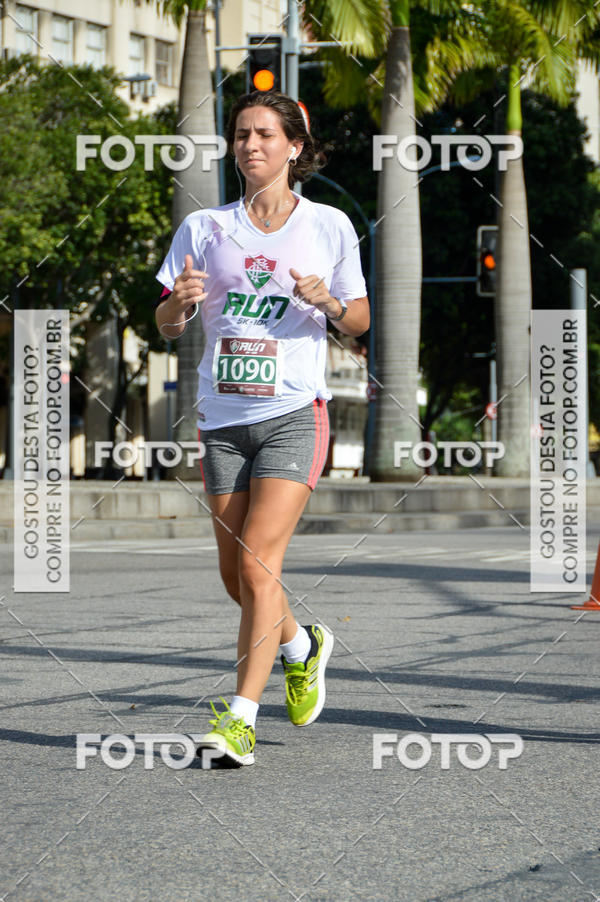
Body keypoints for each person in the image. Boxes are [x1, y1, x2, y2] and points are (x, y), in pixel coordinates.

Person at [155, 91, 370, 766]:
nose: (251, 145)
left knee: (256, 563)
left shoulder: (328, 224)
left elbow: (359, 320)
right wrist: (178, 306)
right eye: (242, 134)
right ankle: (302, 647)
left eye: (266, 135)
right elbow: (163, 321)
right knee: (238, 578)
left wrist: (327, 302)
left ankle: (240, 719)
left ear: (295, 148)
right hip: (222, 420)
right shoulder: (203, 229)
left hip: (292, 415)